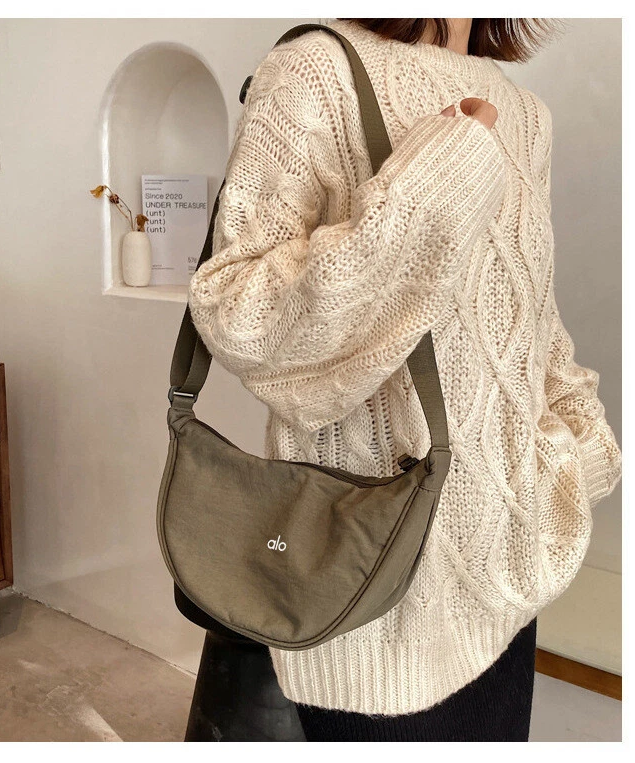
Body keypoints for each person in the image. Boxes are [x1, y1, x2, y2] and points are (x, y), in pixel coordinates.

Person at [185, 18, 622, 742]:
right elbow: (240, 316)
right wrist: (432, 185)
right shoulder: (312, 71)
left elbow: (532, 326)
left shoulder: (526, 114)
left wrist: (582, 452)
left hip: (507, 574)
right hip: (373, 598)